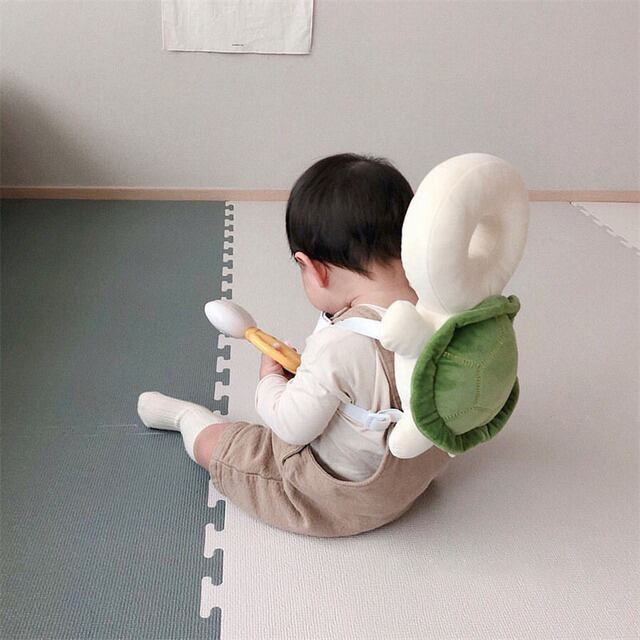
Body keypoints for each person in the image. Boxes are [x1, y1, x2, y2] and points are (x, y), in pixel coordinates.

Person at [137, 153, 450, 538]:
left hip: (340, 499)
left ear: (313, 268)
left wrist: (270, 381)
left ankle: (186, 417)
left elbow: (291, 426)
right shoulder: (442, 308)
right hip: (413, 478)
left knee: (226, 448)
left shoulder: (340, 344)